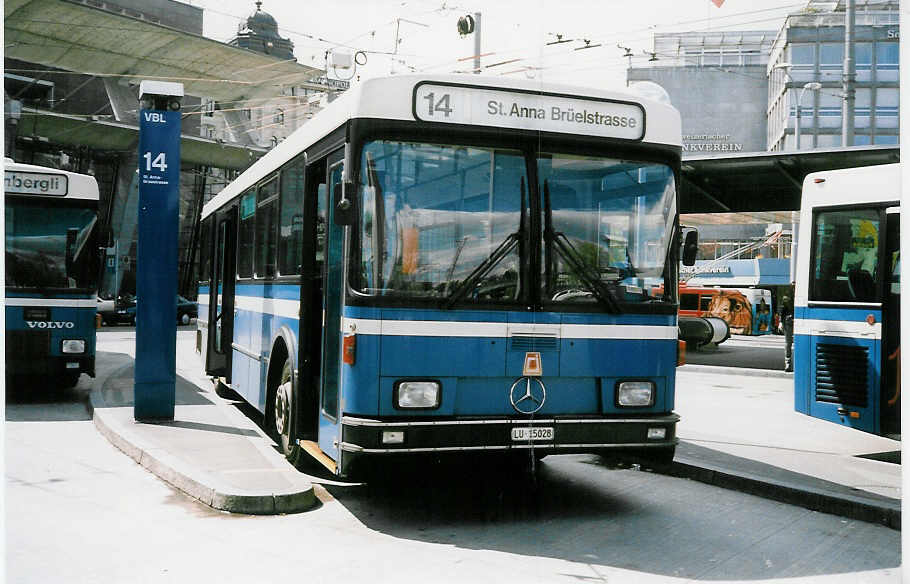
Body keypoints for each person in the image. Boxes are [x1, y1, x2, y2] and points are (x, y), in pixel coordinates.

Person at [779, 287, 794, 372]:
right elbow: (783, 308)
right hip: (789, 321)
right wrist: (781, 322)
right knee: (788, 343)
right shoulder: (788, 292)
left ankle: (788, 363)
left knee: (788, 343)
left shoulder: (789, 292)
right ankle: (787, 363)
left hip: (793, 321)